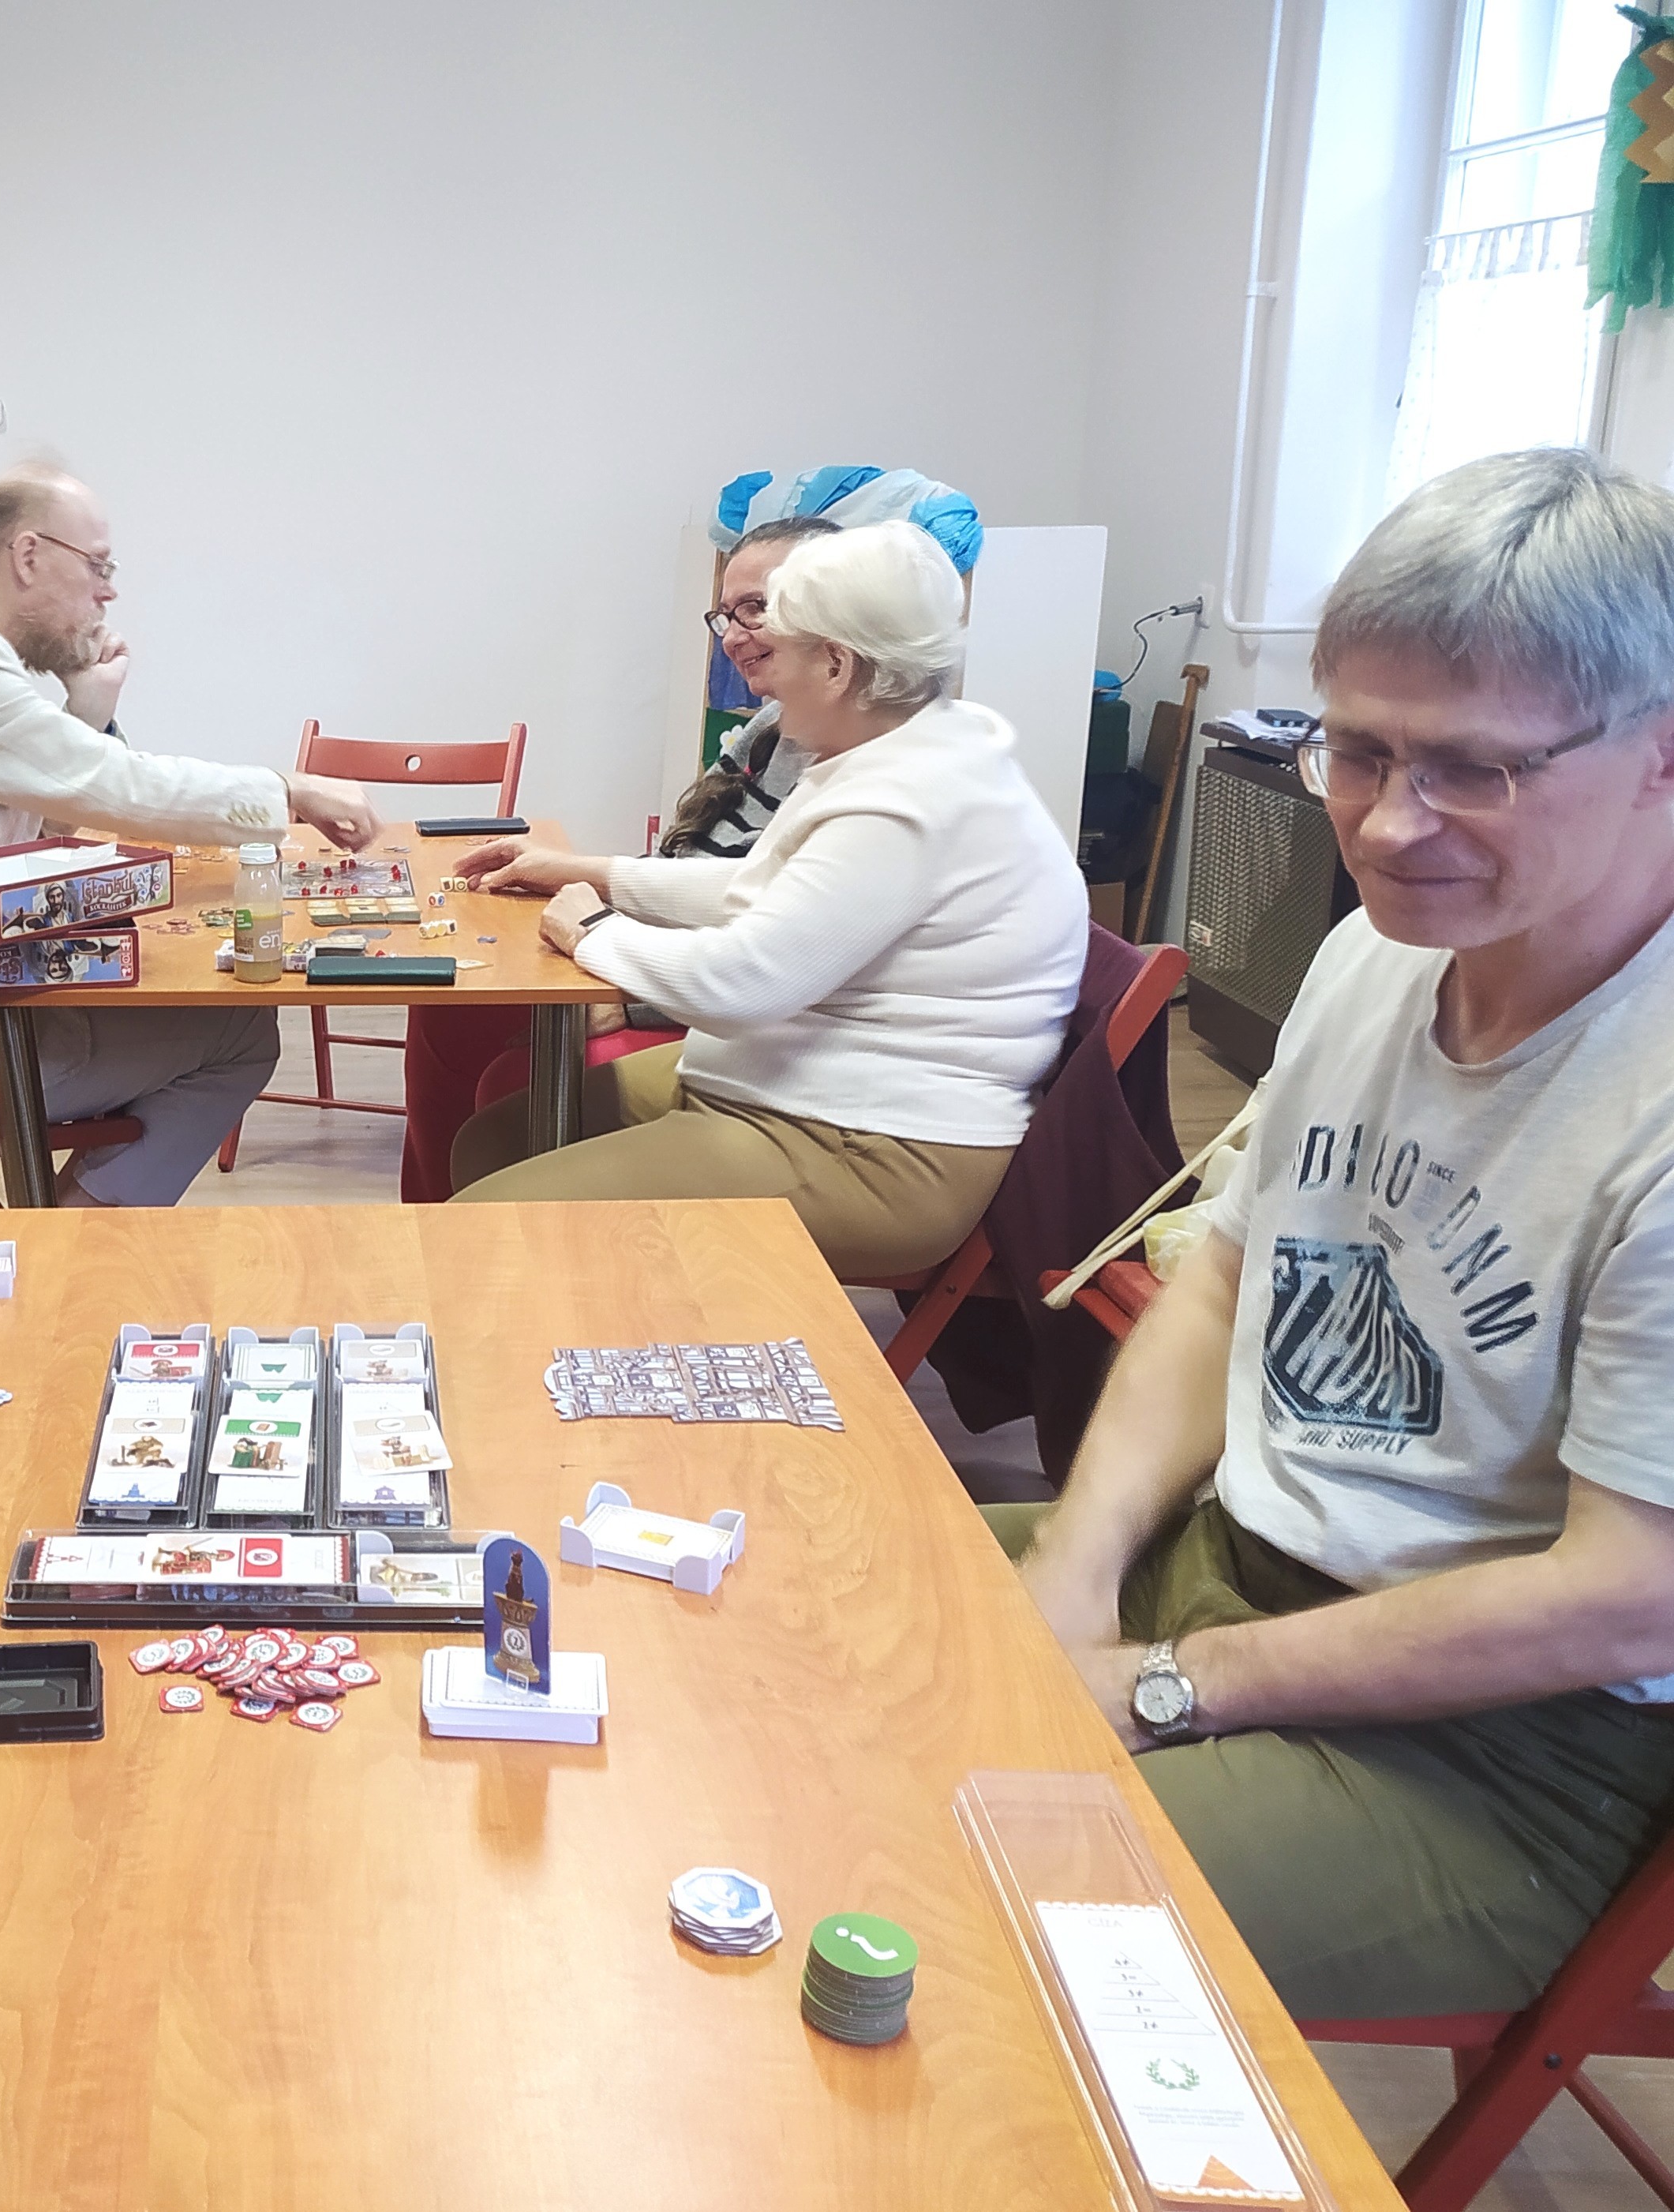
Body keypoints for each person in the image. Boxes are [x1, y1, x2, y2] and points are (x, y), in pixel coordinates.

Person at [998, 448, 1674, 2019]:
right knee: (826, 1618)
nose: (1386, 824)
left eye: (1471, 769)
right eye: (1355, 751)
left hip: (1496, 1753)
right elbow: (1227, 1274)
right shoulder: (1383, 950)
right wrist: (1080, 1564)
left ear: (1659, 754)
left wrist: (1170, 1684)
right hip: (1232, 1563)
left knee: (961, 1900)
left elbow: (1629, 1591)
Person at [446, 521, 1085, 1277]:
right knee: (491, 1142)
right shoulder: (895, 748)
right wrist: (591, 872)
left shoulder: (908, 800)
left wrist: (595, 931)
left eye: (774, 647)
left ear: (836, 665)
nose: (757, 673)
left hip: (868, 1147)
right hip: (789, 1087)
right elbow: (766, 891)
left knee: (484, 1227)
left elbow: (741, 986)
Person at [0, 466, 383, 1206]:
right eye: (98, 566)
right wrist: (289, 789)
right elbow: (114, 787)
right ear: (28, 556)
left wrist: (86, 707)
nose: (107, 592)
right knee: (239, 1035)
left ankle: (71, 1227)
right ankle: (71, 1244)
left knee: (217, 1015)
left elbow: (45, 809)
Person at [394, 515, 841, 1202]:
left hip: (721, 1011)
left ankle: (503, 1229)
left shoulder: (865, 771)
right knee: (450, 1005)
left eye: (758, 608)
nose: (734, 637)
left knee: (511, 1087)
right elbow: (699, 870)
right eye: (726, 615)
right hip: (660, 963)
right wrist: (575, 874)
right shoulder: (770, 727)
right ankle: (432, 1224)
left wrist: (626, 999)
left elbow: (780, 966)